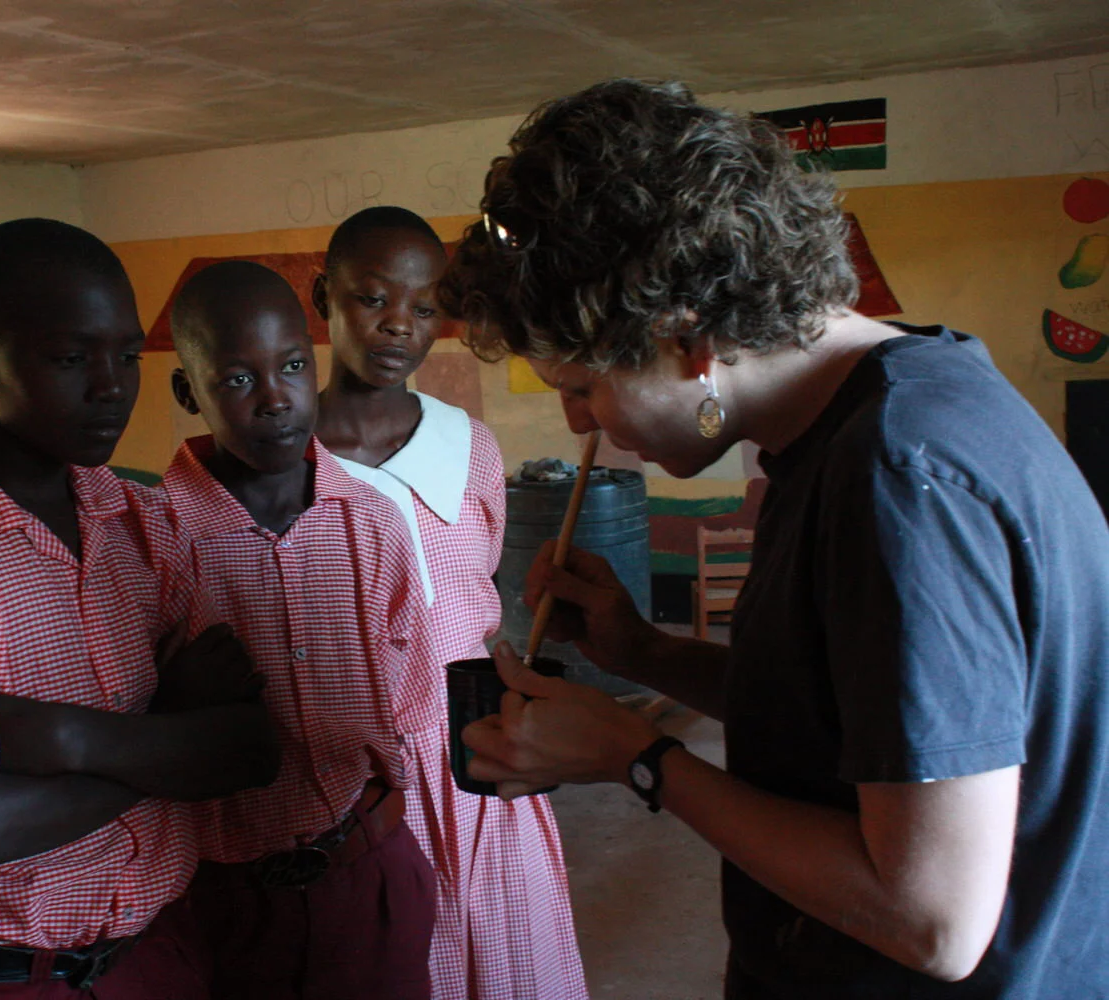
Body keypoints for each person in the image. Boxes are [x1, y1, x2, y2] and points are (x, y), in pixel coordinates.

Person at [440, 78, 1109, 999]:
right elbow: (862, 727)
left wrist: (636, 759)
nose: (576, 420)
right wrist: (647, 655)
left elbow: (933, 919)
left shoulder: (899, 479)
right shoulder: (890, 403)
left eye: (584, 384)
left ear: (690, 341)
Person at [0, 219, 279, 999]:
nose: (110, 385)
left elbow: (246, 751)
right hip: (6, 979)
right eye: (72, 358)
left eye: (126, 355)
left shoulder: (144, 520)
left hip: (160, 950)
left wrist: (67, 736)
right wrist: (165, 733)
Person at [314, 206, 587, 1000]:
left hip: (480, 755)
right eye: (372, 299)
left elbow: (479, 599)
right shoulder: (282, 469)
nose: (399, 326)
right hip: (363, 782)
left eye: (426, 307)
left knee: (509, 961)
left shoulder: (469, 447)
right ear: (322, 293)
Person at [163, 260, 437, 999]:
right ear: (190, 392)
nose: (277, 399)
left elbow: (414, 713)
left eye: (290, 366)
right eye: (238, 380)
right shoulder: (155, 542)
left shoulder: (372, 522)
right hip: (224, 900)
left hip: (369, 868)